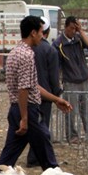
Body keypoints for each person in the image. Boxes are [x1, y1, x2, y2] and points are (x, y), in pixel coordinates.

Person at [0, 15, 72, 170]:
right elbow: (24, 89)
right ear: (33, 33)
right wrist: (25, 118)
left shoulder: (14, 53)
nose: (41, 36)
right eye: (40, 32)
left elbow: (32, 85)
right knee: (47, 154)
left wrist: (55, 100)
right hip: (28, 110)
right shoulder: (27, 55)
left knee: (8, 156)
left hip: (16, 109)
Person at [28, 17, 64, 164]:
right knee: (42, 127)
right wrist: (56, 95)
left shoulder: (26, 48)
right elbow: (53, 76)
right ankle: (36, 157)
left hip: (28, 94)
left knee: (31, 125)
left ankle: (34, 156)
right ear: (46, 33)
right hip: (45, 95)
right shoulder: (50, 50)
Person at [54, 15, 88, 142]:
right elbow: (57, 66)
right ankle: (72, 136)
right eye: (71, 28)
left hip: (84, 79)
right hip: (70, 81)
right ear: (66, 27)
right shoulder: (58, 44)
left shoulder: (79, 39)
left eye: (75, 28)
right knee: (71, 110)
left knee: (87, 109)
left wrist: (81, 31)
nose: (73, 31)